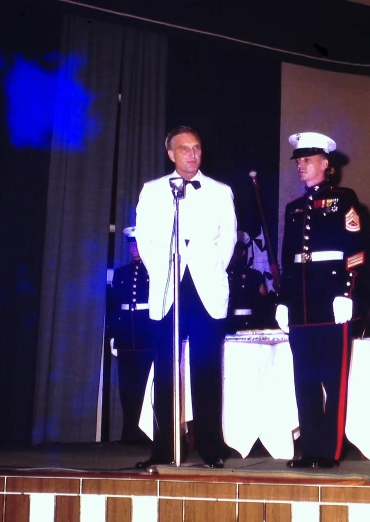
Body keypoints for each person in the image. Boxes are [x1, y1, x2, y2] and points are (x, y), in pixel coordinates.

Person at [134, 126, 237, 469]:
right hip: (167, 288)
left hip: (206, 288)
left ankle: (211, 447)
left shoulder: (221, 191)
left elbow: (229, 241)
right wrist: (164, 272)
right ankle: (164, 448)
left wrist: (208, 269)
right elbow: (145, 241)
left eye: (197, 147)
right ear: (171, 154)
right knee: (165, 371)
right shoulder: (152, 191)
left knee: (206, 369)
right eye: (184, 149)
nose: (192, 154)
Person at [276, 132, 367, 469]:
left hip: (331, 302)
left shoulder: (343, 199)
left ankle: (329, 450)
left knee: (333, 378)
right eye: (298, 160)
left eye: (308, 160)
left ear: (326, 163)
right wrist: (283, 301)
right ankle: (311, 448)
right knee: (305, 380)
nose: (301, 165)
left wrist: (347, 293)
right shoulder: (294, 207)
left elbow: (356, 251)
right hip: (300, 304)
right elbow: (288, 259)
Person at [105, 226, 155, 443]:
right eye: (131, 244)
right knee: (127, 386)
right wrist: (112, 335)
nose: (134, 248)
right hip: (126, 335)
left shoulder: (154, 270)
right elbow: (114, 306)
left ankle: (147, 434)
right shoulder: (121, 273)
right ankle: (129, 433)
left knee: (146, 385)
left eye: (138, 243)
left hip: (147, 335)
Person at [226, 231, 272, 333]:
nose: (233, 254)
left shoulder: (254, 275)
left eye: (236, 250)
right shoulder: (223, 275)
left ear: (243, 252)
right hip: (229, 325)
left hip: (251, 325)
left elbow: (262, 305)